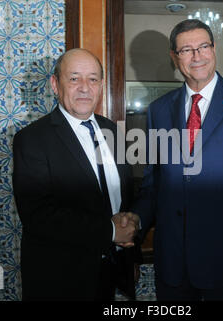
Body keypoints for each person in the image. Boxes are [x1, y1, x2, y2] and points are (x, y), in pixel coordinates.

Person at [132, 19, 223, 301]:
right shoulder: (158, 111)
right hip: (174, 267)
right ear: (174, 58)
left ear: (214, 49)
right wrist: (133, 225)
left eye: (203, 47)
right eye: (186, 50)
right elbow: (154, 185)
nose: (197, 56)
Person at [12, 48, 140, 301]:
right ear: (55, 85)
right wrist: (111, 232)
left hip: (110, 272)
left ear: (101, 86)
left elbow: (126, 196)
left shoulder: (114, 131)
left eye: (92, 79)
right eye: (74, 78)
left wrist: (129, 253)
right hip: (60, 278)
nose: (84, 87)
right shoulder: (32, 139)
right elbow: (38, 216)